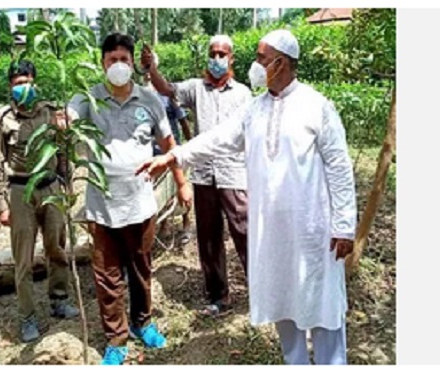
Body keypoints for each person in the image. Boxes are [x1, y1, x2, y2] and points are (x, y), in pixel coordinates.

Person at [135, 29, 357, 365]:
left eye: (261, 58)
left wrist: (344, 226)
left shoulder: (317, 107)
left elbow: (340, 168)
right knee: (283, 300)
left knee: (322, 304)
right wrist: (174, 156)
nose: (256, 64)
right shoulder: (255, 109)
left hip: (314, 230)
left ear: (280, 63)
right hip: (273, 231)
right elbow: (217, 139)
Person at [64, 33, 192, 365]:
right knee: (107, 276)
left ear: (133, 62)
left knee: (140, 268)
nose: (118, 66)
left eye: (124, 59)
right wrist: (63, 120)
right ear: (102, 64)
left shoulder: (149, 100)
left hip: (139, 203)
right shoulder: (88, 99)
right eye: (111, 60)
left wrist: (181, 183)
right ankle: (116, 338)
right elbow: (70, 116)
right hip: (102, 205)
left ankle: (142, 322)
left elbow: (168, 144)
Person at [142, 35, 252, 317]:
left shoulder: (243, 94)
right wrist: (152, 69)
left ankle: (262, 290)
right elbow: (166, 89)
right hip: (204, 175)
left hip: (234, 173)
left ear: (231, 58)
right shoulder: (195, 89)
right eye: (212, 53)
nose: (216, 59)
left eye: (222, 54)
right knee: (209, 237)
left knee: (245, 232)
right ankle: (219, 296)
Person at [0, 59, 79, 343]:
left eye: (27, 81)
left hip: (50, 186)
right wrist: (1, 205)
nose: (23, 87)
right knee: (23, 259)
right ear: (9, 87)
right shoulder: (2, 119)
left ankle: (59, 300)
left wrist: (67, 184)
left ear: (34, 81)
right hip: (20, 190)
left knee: (56, 247)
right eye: (17, 83)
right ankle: (27, 316)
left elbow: (63, 152)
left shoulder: (51, 112)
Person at [146, 71, 192, 247]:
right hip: (154, 153)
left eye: (151, 78)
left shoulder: (168, 98)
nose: (149, 81)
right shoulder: (143, 98)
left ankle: (186, 223)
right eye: (146, 79)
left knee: (180, 186)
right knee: (160, 190)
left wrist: (190, 145)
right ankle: (164, 224)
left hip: (174, 151)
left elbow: (182, 121)